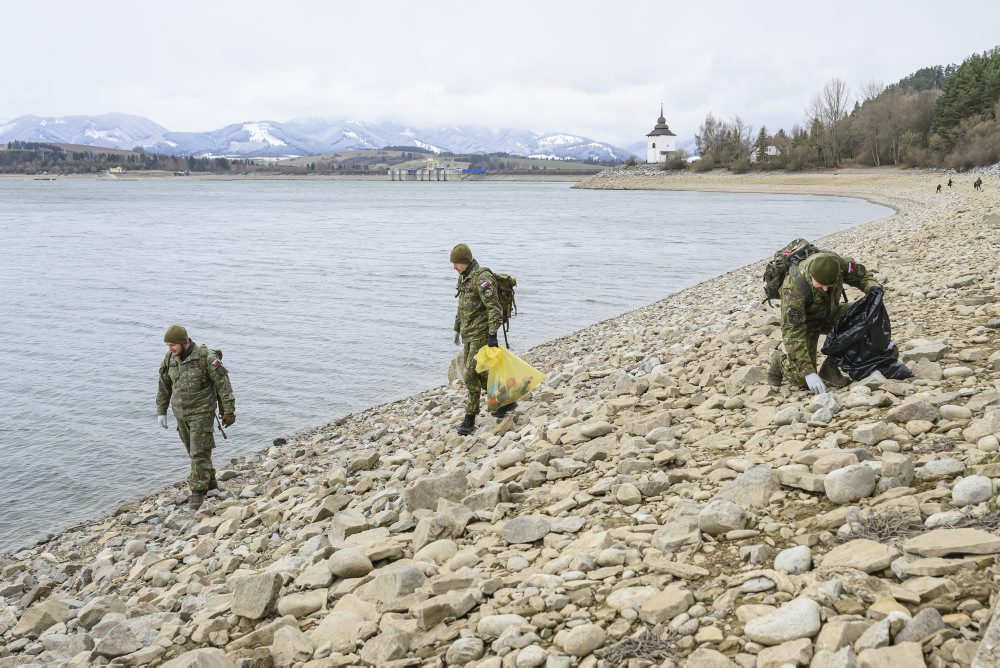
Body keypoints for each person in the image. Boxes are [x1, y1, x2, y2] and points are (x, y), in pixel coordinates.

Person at [768, 252, 881, 394]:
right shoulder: (793, 288)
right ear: (810, 276)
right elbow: (792, 333)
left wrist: (873, 288)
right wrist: (808, 372)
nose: (826, 289)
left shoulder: (840, 265)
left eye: (830, 285)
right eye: (820, 286)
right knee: (802, 379)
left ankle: (830, 367)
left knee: (866, 315)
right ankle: (780, 361)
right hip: (806, 325)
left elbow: (862, 276)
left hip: (830, 314)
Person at [156, 325, 235, 510]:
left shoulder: (205, 357)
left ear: (183, 342)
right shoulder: (169, 359)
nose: (170, 348)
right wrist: (161, 411)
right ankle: (211, 485)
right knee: (195, 452)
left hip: (202, 412)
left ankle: (197, 494)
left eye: (173, 345)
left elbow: (223, 384)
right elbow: (164, 386)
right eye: (168, 345)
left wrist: (229, 411)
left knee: (199, 452)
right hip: (181, 415)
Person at [451, 243, 509, 435]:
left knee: (469, 375)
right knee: (481, 373)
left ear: (465, 261)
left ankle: (470, 418)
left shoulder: (482, 278)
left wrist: (492, 334)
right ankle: (505, 401)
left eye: (456, 263)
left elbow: (494, 308)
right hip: (468, 334)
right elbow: (462, 306)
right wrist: (457, 329)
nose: (454, 267)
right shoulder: (463, 277)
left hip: (482, 334)